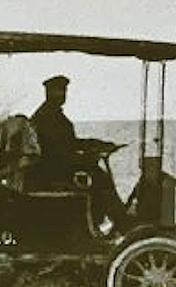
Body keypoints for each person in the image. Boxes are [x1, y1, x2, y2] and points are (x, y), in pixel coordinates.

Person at [30, 75, 130, 231]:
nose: (62, 96)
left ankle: (106, 221)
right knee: (99, 177)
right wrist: (87, 157)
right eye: (58, 92)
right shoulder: (47, 117)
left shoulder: (53, 115)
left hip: (56, 167)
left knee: (97, 175)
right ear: (48, 93)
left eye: (63, 92)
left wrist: (97, 144)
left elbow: (70, 143)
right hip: (52, 171)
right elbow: (58, 152)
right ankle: (120, 222)